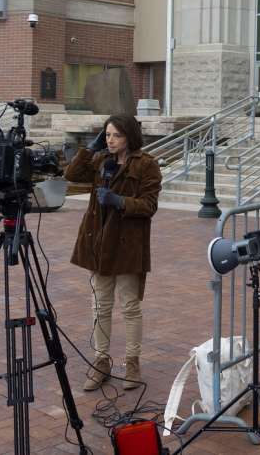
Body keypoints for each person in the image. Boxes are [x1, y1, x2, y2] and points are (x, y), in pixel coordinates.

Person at [65, 115, 163, 392]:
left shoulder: (147, 165)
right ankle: (101, 362)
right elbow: (71, 175)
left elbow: (149, 205)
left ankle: (132, 363)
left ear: (130, 136)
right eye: (106, 135)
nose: (110, 140)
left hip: (128, 244)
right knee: (100, 306)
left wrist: (119, 201)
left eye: (115, 135)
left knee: (130, 307)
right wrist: (90, 148)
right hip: (98, 243)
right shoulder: (100, 161)